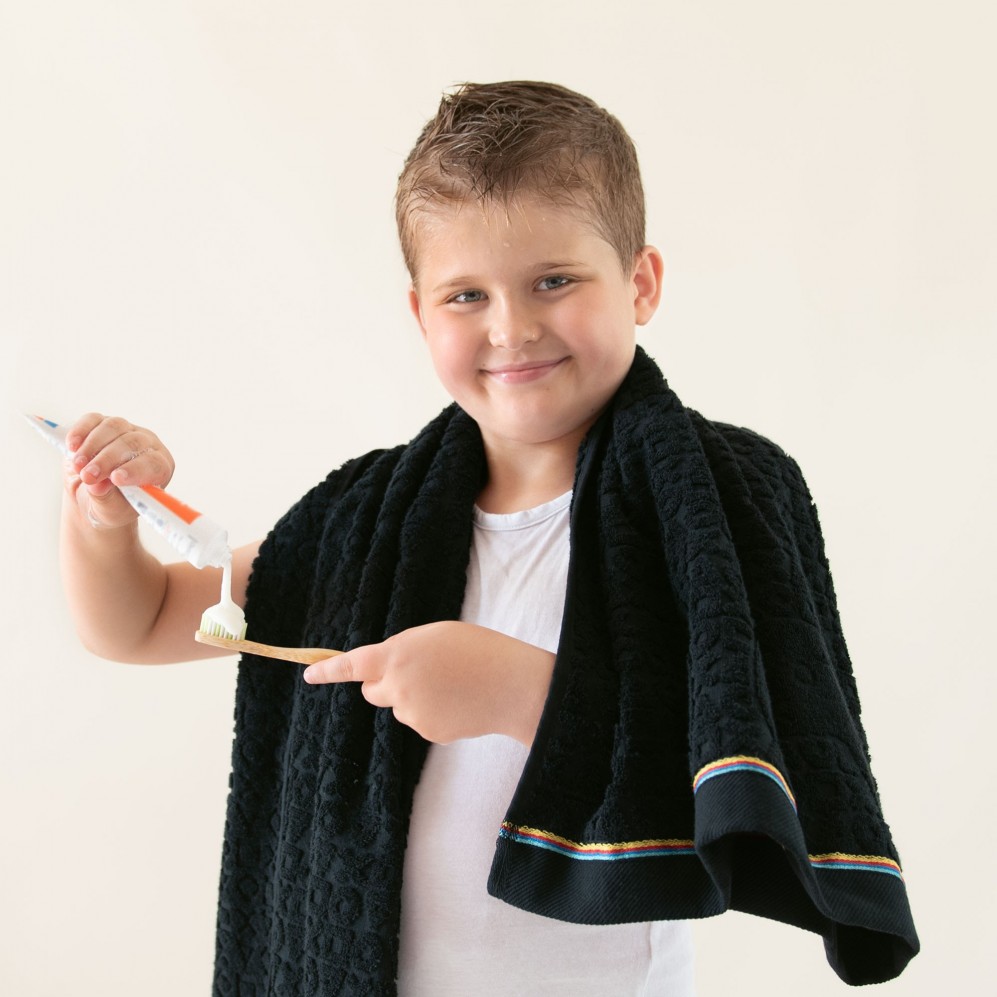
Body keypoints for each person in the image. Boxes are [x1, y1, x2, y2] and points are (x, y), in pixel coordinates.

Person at [59, 82, 917, 995]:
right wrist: (102, 521)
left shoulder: (718, 502)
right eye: (466, 294)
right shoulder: (364, 525)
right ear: (420, 314)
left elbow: (760, 784)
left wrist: (521, 693)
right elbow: (140, 620)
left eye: (553, 280)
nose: (512, 327)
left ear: (640, 284)